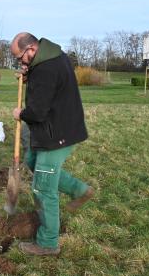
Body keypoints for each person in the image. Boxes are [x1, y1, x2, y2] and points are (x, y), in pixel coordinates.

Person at [11, 32, 95, 256]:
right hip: (63, 127)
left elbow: (37, 113)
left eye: (20, 58)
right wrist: (30, 74)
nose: (20, 63)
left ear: (31, 50)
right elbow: (50, 85)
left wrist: (21, 113)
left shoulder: (45, 70)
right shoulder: (54, 56)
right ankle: (79, 190)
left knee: (43, 187)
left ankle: (48, 242)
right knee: (32, 161)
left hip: (56, 134)